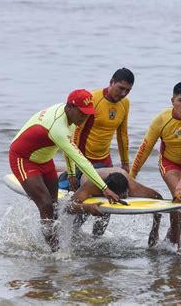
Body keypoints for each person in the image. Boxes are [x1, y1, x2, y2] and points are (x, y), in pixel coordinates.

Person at [8, 89, 120, 252]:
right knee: (45, 203)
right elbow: (81, 159)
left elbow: (68, 148)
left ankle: (49, 241)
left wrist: (72, 174)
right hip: (23, 159)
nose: (85, 117)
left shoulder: (71, 119)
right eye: (82, 113)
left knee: (53, 206)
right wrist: (105, 188)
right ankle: (55, 253)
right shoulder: (58, 126)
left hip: (45, 160)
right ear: (70, 107)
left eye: (88, 114)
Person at [129, 82, 181, 253]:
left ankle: (168, 241)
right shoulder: (161, 119)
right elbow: (145, 148)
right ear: (172, 100)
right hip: (169, 162)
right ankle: (177, 247)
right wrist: (131, 176)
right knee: (180, 199)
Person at [65, 68, 135, 235]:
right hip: (84, 160)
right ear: (111, 82)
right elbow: (75, 134)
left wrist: (125, 164)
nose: (123, 93)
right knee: (86, 200)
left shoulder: (125, 104)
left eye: (128, 90)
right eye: (120, 88)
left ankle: (97, 240)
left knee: (108, 202)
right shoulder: (93, 99)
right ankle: (72, 234)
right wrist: (72, 170)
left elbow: (122, 134)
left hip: (105, 160)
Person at [70, 167, 163, 236]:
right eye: (119, 197)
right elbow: (69, 206)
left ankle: (96, 241)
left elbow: (158, 199)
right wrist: (87, 208)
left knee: (104, 213)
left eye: (125, 195)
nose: (125, 197)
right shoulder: (91, 186)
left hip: (113, 172)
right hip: (85, 175)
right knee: (77, 223)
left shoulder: (133, 187)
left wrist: (155, 230)